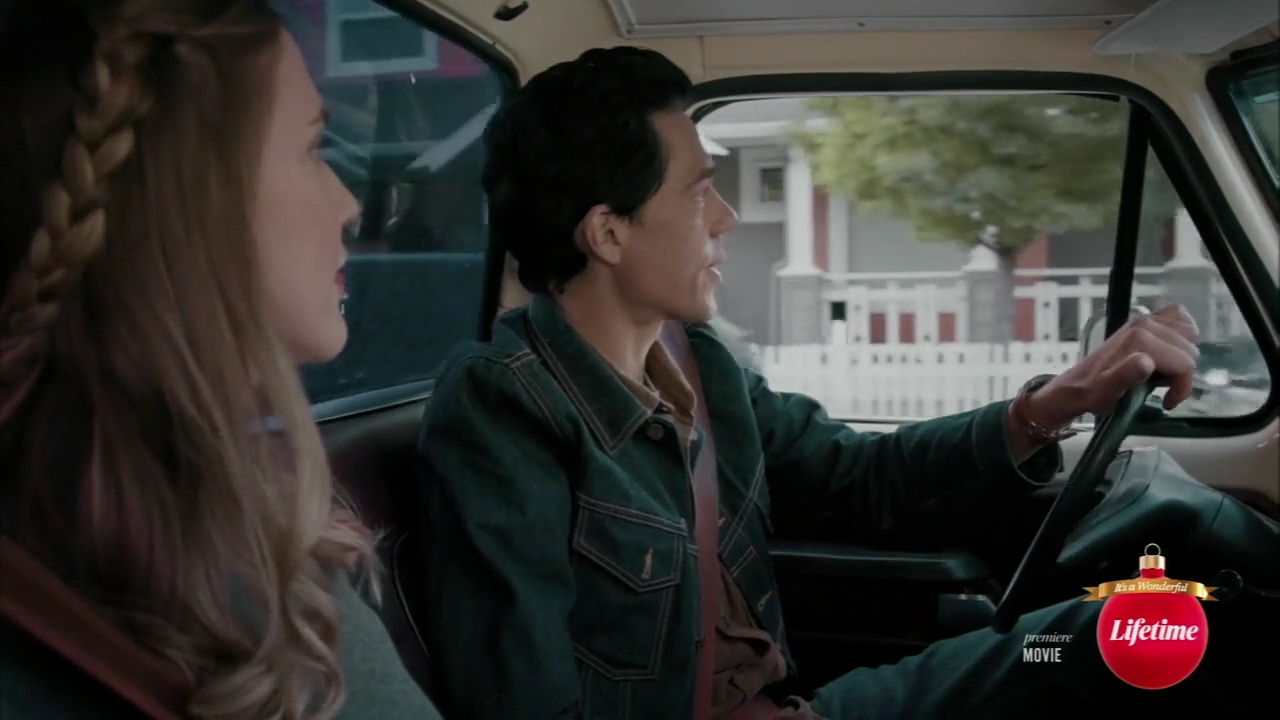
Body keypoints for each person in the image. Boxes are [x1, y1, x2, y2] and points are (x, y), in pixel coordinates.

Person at [416, 47, 1238, 720]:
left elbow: (859, 478)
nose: (727, 217)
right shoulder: (504, 405)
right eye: (698, 194)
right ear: (607, 232)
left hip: (797, 706)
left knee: (1121, 631)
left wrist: (1051, 407)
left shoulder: (700, 365)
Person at [0, 1, 441, 718]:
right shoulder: (230, 587)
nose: (350, 205)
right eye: (312, 149)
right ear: (193, 206)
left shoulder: (68, 520)